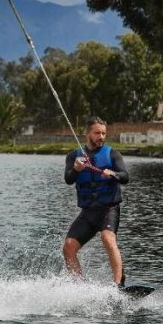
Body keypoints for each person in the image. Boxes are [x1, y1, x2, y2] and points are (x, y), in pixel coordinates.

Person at [62, 116, 129, 287]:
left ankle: (118, 285)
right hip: (88, 212)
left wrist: (113, 174)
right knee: (69, 246)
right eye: (97, 133)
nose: (101, 136)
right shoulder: (74, 157)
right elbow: (69, 179)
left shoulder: (113, 154)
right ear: (87, 134)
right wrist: (76, 170)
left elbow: (125, 177)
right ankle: (79, 286)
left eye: (104, 133)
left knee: (108, 238)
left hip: (109, 209)